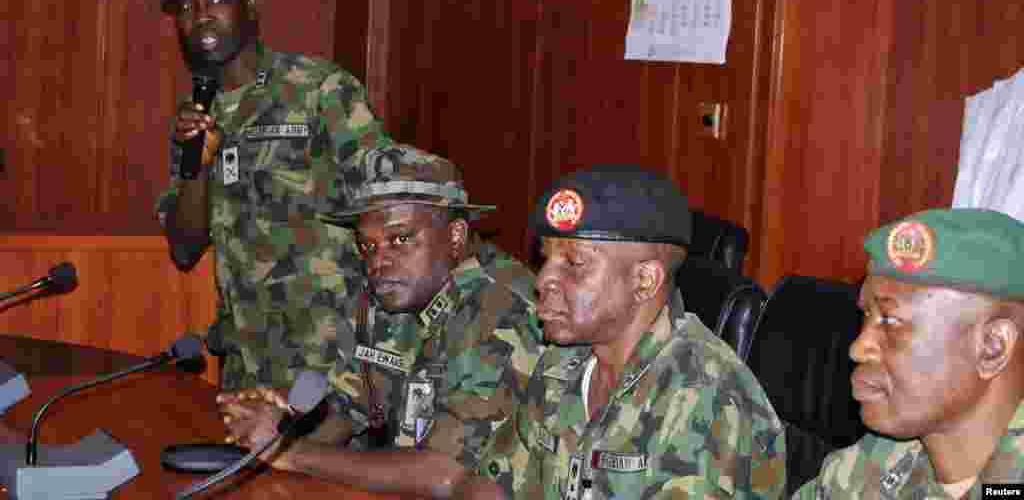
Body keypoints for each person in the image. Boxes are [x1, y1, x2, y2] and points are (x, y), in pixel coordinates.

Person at [218, 144, 545, 498]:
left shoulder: (501, 311)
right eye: (367, 246)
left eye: (401, 239)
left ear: (455, 237)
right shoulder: (395, 294)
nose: (378, 263)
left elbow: (446, 472)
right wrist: (281, 430)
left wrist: (290, 453)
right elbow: (349, 408)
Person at [456, 164, 787, 499]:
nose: (542, 280)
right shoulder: (562, 365)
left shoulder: (707, 398)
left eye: (574, 263)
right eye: (546, 259)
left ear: (644, 281)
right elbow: (494, 482)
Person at [154, 0, 390, 393]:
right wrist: (197, 167)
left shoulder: (320, 89)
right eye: (187, 6)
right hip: (246, 361)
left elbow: (386, 202)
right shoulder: (195, 117)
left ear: (251, 6)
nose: (201, 15)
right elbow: (184, 249)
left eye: (218, 0)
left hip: (330, 359)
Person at [795, 208, 1024, 498]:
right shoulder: (869, 467)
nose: (858, 347)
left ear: (992, 347)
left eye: (890, 321)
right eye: (866, 315)